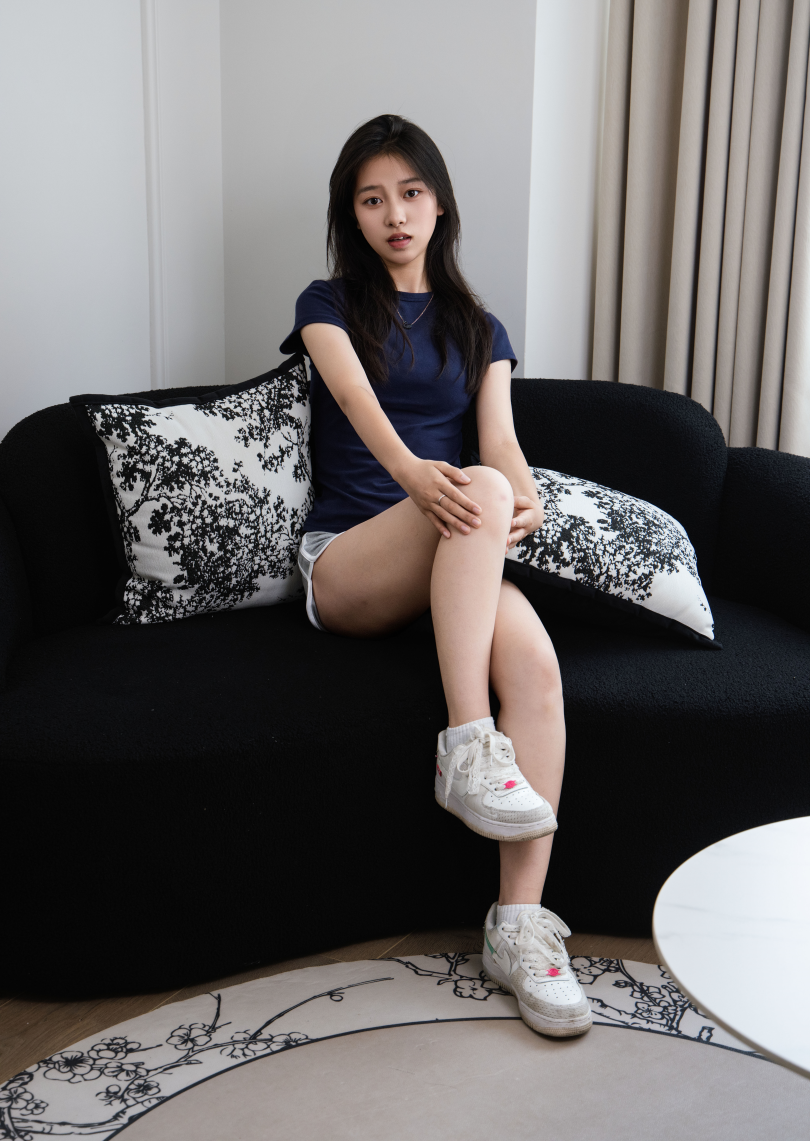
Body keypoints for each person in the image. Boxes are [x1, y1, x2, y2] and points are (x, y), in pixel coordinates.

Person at [279, 114, 591, 1039]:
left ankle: (519, 926)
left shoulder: (478, 325)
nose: (395, 215)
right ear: (352, 216)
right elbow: (354, 401)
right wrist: (420, 477)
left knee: (537, 666)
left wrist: (522, 495)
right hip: (351, 559)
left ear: (440, 203)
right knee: (474, 488)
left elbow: (500, 439)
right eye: (372, 200)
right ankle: (466, 746)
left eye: (411, 194)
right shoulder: (327, 303)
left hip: (453, 547)